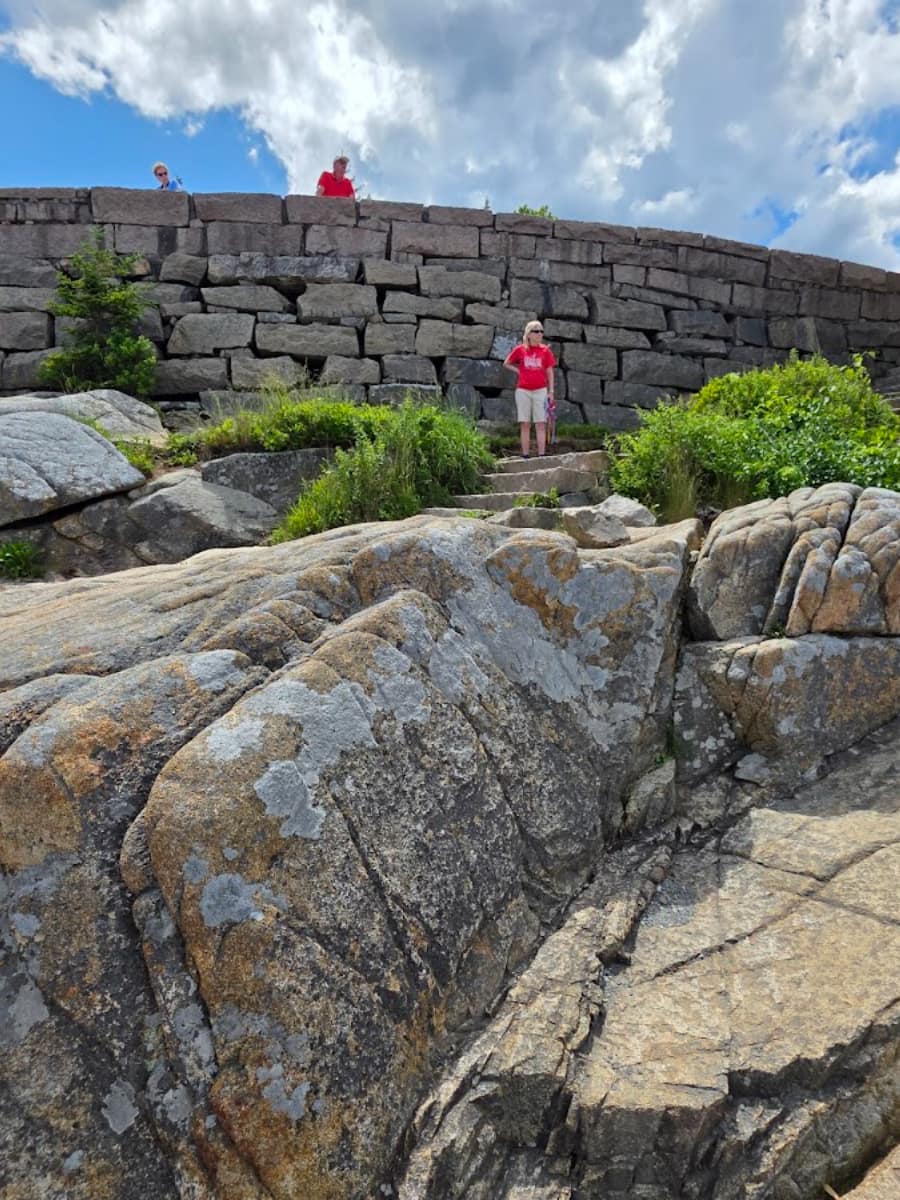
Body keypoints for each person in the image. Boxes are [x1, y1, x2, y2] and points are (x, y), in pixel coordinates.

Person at [503, 320, 556, 458]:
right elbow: (507, 363)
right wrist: (518, 371)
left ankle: (541, 454)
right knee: (525, 423)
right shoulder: (520, 349)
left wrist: (551, 391)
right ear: (529, 334)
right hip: (523, 390)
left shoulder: (545, 351)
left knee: (541, 423)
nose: (540, 334)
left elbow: (550, 372)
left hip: (541, 390)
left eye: (541, 331)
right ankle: (525, 454)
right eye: (536, 331)